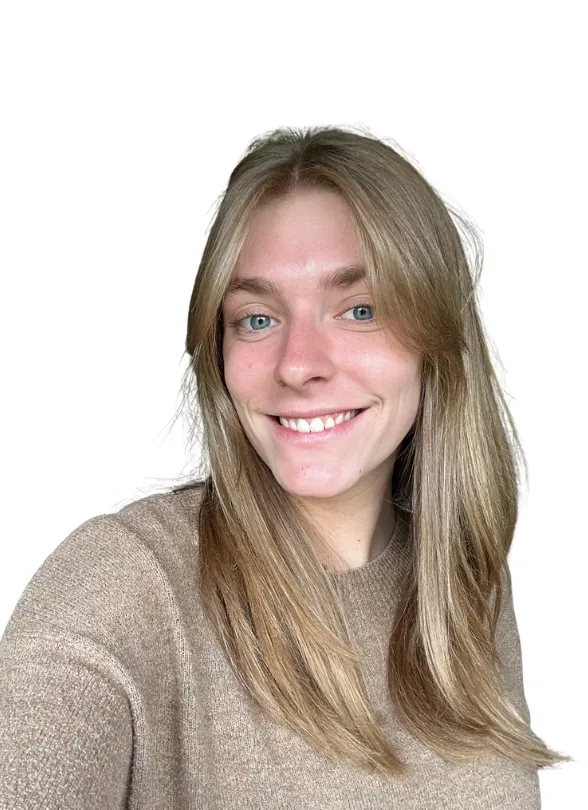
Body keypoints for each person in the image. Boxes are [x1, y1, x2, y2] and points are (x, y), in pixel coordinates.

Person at [0, 126, 572, 809]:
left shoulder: (463, 583)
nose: (298, 365)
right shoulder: (125, 586)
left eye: (360, 310)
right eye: (257, 319)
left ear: (437, 340)